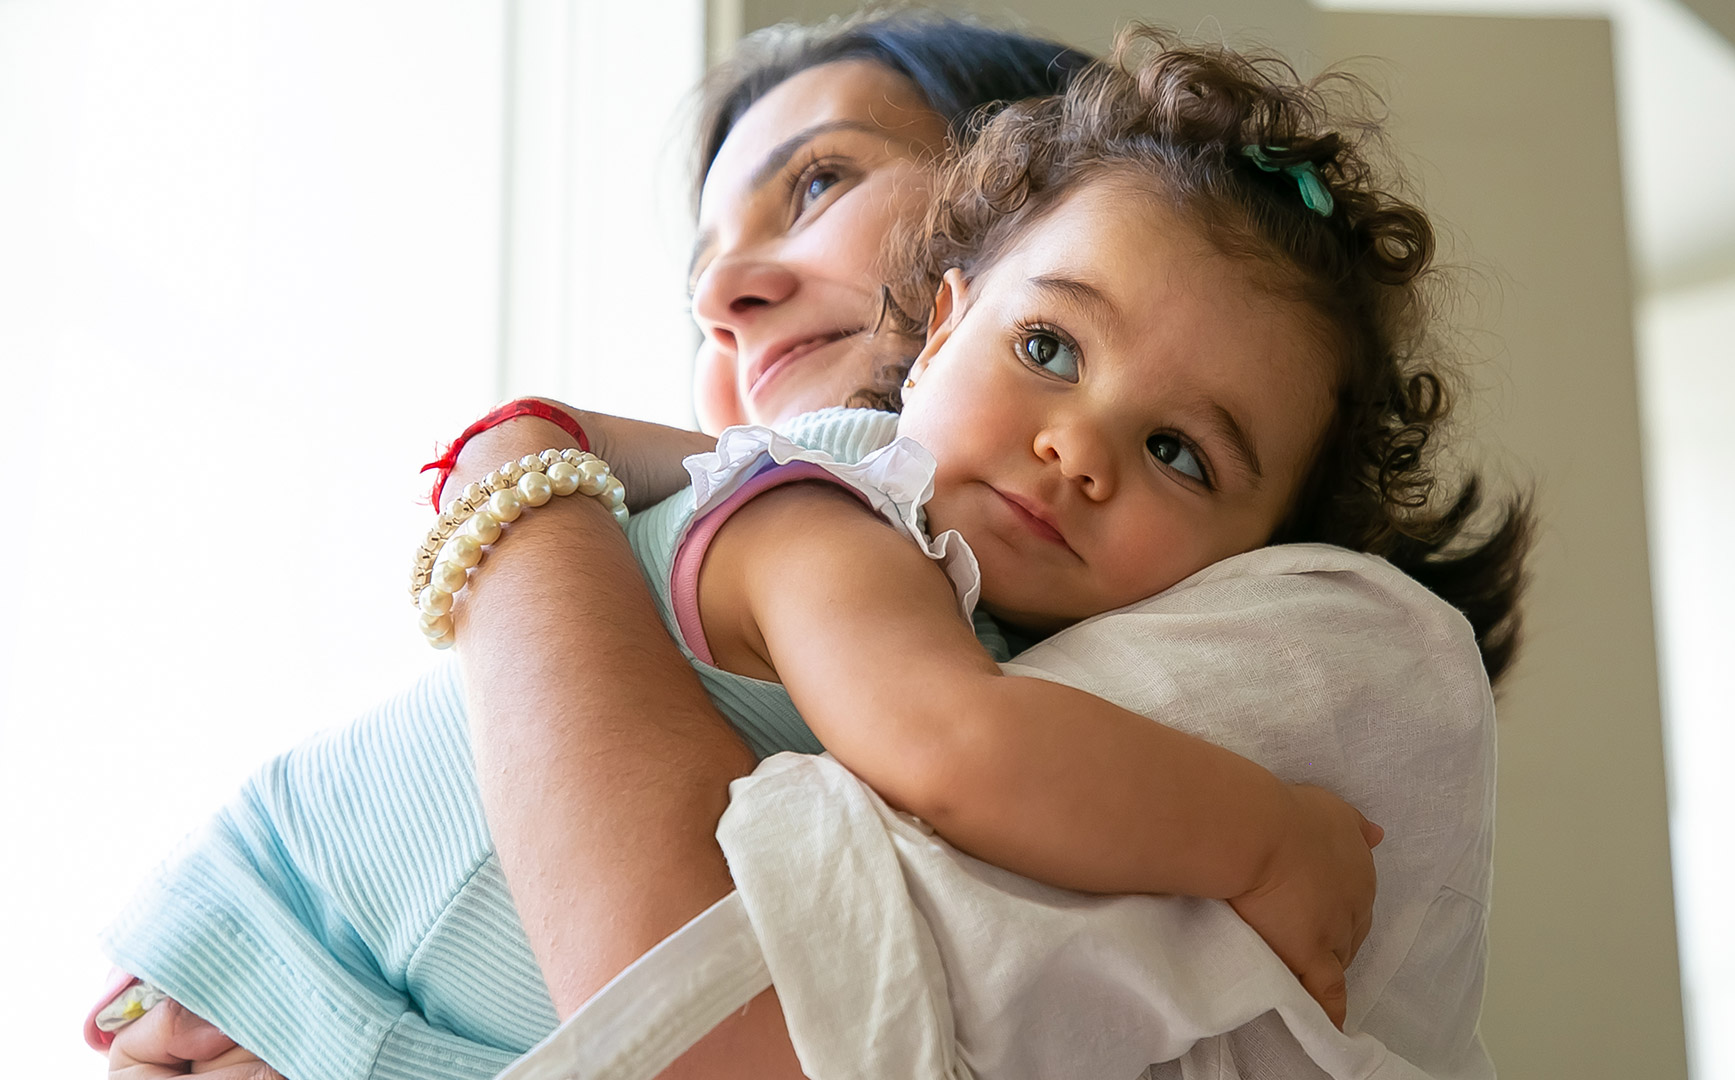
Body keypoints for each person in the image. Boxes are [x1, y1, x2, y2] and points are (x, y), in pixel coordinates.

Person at [96, 17, 1523, 1080]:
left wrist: (529, 447)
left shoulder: (1279, 639)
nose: (1080, 446)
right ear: (953, 315)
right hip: (314, 946)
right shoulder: (841, 511)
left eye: (1179, 453)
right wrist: (1261, 838)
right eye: (1048, 346)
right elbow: (959, 749)